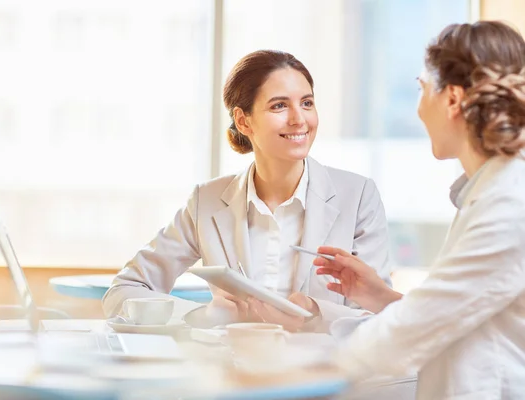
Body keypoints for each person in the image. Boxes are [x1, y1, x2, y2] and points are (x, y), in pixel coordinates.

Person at [305, 21, 525, 398]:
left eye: (423, 90)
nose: (419, 109)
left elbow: (416, 327)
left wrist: (295, 372)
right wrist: (379, 297)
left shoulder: (509, 202)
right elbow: (460, 311)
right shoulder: (490, 192)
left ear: (453, 99)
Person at [102, 50, 391, 331]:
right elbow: (123, 291)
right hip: (234, 374)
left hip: (326, 374)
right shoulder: (208, 201)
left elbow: (383, 318)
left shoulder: (358, 196)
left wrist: (315, 314)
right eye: (279, 106)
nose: (299, 119)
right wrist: (205, 314)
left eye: (306, 103)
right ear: (243, 121)